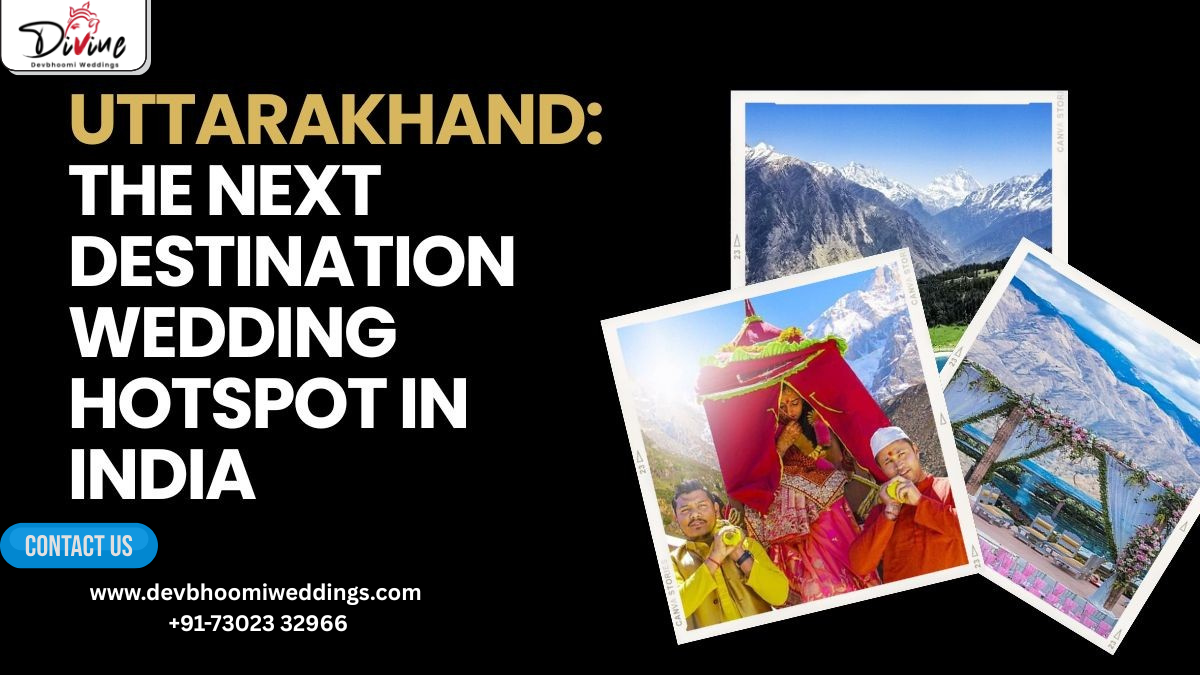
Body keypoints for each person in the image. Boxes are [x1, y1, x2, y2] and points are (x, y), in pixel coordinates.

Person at [740, 383, 882, 604]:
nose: (789, 411)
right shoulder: (766, 428)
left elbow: (829, 451)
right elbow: (758, 468)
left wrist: (820, 432)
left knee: (834, 510)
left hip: (819, 475)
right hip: (781, 482)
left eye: (794, 403)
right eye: (782, 406)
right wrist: (782, 445)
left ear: (803, 400)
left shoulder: (814, 417)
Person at [848, 426, 968, 582]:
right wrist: (889, 513)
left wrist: (920, 501)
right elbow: (859, 565)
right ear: (881, 470)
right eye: (888, 461)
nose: (899, 465)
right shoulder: (881, 512)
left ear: (916, 450)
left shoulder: (949, 488)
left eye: (902, 454)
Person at [670, 479, 789, 629]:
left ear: (715, 508)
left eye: (702, 506)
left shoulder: (747, 545)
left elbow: (779, 596)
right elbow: (676, 611)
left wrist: (741, 555)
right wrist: (715, 558)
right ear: (675, 517)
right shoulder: (672, 562)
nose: (695, 514)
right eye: (685, 510)